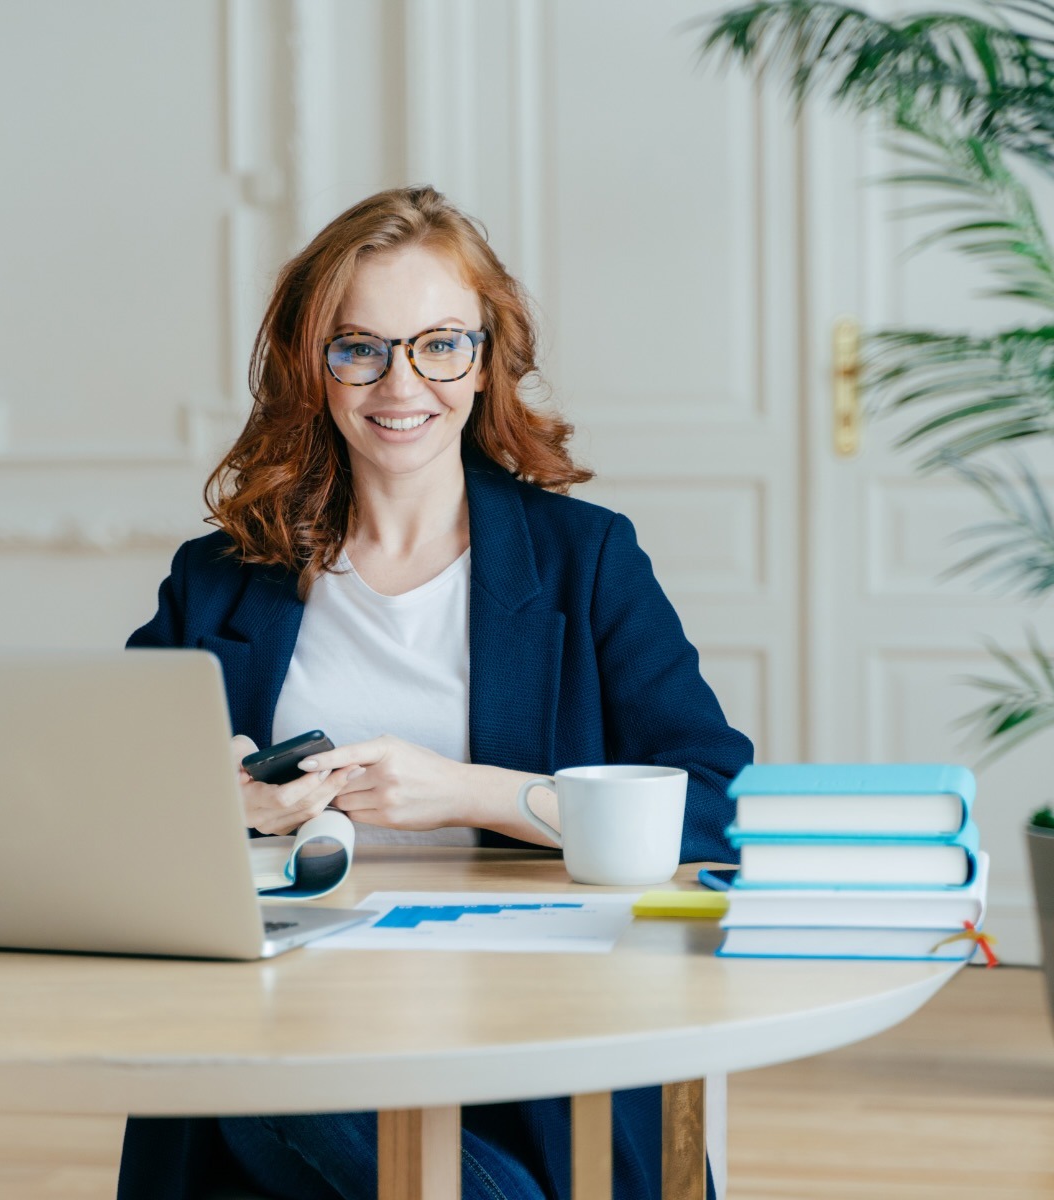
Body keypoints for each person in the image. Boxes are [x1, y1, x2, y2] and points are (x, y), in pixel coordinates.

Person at [117, 185, 753, 1200]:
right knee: (254, 1065)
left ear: (486, 356)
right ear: (311, 366)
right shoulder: (221, 577)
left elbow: (712, 799)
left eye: (438, 345)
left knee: (287, 1093)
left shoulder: (585, 560)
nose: (399, 381)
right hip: (289, 1011)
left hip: (527, 1026)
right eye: (358, 347)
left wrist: (470, 793)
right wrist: (222, 802)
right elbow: (110, 790)